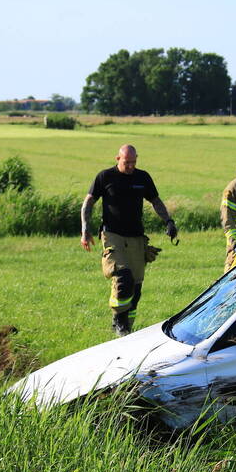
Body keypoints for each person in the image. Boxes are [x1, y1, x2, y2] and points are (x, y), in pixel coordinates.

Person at [81, 144, 177, 336]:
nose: (131, 166)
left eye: (134, 162)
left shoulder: (143, 177)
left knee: (136, 288)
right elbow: (88, 203)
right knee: (123, 278)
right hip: (113, 235)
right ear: (118, 159)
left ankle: (127, 329)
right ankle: (118, 320)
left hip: (136, 238)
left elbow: (156, 201)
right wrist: (85, 229)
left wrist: (169, 221)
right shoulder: (105, 177)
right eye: (127, 162)